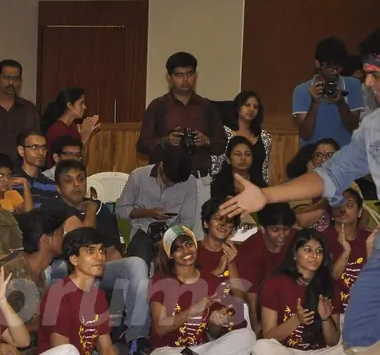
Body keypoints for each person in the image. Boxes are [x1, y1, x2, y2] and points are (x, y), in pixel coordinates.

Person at [222, 28, 380, 355]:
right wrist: (267, 194)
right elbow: (331, 174)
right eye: (366, 74)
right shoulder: (373, 128)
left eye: (375, 75)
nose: (368, 84)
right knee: (361, 336)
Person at [37, 228, 172, 355]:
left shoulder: (98, 296)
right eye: (90, 251)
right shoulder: (57, 295)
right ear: (74, 259)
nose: (100, 257)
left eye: (101, 250)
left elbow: (106, 349)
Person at [43, 160, 151, 355]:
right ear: (58, 187)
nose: (76, 184)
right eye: (69, 181)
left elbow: (111, 249)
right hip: (66, 269)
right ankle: (81, 341)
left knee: (135, 264)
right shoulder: (54, 207)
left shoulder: (102, 208)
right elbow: (83, 241)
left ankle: (137, 337)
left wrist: (121, 276)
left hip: (98, 267)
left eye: (81, 179)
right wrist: (91, 210)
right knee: (63, 268)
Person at [251, 229, 366, 355]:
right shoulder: (274, 283)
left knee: (366, 347)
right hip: (284, 354)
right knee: (261, 349)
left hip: (319, 354)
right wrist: (297, 319)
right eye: (307, 250)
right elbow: (269, 335)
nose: (314, 256)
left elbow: (332, 341)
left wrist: (326, 319)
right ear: (294, 254)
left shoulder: (329, 285)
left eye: (319, 251)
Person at [145, 226, 256, 355]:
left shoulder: (209, 281)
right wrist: (192, 310)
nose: (186, 251)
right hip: (165, 351)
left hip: (196, 352)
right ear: (169, 255)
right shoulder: (160, 281)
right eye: (178, 248)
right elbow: (160, 328)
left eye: (189, 244)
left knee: (247, 336)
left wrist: (215, 321)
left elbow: (217, 325)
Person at [136, 52, 228, 238]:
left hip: (199, 180)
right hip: (166, 182)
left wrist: (206, 141)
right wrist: (165, 141)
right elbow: (142, 145)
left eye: (189, 74)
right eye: (179, 75)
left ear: (195, 75)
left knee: (199, 236)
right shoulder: (158, 106)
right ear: (169, 78)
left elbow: (221, 144)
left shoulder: (207, 107)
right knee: (166, 237)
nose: (185, 80)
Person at [0, 209, 72, 351]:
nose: (64, 239)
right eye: (60, 233)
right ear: (46, 239)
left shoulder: (41, 273)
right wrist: (47, 326)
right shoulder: (11, 274)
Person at [116, 145, 197, 267]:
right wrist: (149, 213)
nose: (171, 185)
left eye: (175, 183)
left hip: (174, 233)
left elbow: (188, 221)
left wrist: (169, 237)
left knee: (182, 261)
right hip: (142, 229)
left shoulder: (189, 182)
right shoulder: (138, 176)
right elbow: (121, 210)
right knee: (140, 262)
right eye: (168, 181)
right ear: (161, 165)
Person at [235, 203, 297, 332]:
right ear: (262, 228)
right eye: (275, 230)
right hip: (262, 306)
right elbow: (253, 305)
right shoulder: (250, 251)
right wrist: (260, 336)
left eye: (286, 229)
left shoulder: (296, 239)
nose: (282, 235)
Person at [292, 37, 364, 147]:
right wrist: (314, 103)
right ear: (317, 63)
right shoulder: (301, 91)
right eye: (329, 67)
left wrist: (341, 103)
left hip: (343, 155)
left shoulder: (353, 85)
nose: (335, 72)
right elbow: (305, 135)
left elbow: (354, 129)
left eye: (338, 67)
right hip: (312, 155)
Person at [194, 198, 252, 329]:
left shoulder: (240, 253)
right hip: (199, 324)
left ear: (233, 229)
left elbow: (239, 297)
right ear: (205, 223)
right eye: (218, 218)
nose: (223, 224)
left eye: (229, 221)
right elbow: (189, 293)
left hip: (232, 324)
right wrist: (216, 273)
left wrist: (231, 263)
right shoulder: (192, 251)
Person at [322, 187, 373, 316]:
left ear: (360, 211)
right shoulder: (320, 240)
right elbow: (324, 281)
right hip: (332, 314)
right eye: (338, 204)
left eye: (349, 205)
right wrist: (345, 254)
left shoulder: (371, 239)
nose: (343, 209)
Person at [0, 60, 40, 162]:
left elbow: (36, 140)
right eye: (6, 78)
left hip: (22, 169)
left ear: (20, 81)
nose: (11, 83)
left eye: (15, 79)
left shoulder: (29, 109)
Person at [211, 91, 272, 185]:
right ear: (238, 107)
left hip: (256, 188)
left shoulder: (264, 136)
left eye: (256, 107)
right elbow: (215, 168)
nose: (251, 109)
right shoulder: (223, 133)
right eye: (247, 105)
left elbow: (264, 169)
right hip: (227, 187)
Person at [41, 88, 99, 167]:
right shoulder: (57, 129)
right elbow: (70, 158)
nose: (84, 107)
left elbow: (81, 159)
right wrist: (84, 137)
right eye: (81, 103)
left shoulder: (73, 127)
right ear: (70, 106)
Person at [290, 138, 339, 231]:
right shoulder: (300, 186)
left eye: (330, 155)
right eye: (319, 155)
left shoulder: (349, 183)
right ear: (312, 162)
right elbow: (304, 221)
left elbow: (362, 219)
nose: (324, 160)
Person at [14, 130, 59, 208]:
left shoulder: (52, 186)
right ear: (21, 150)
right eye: (34, 147)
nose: (41, 152)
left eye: (43, 147)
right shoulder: (10, 181)